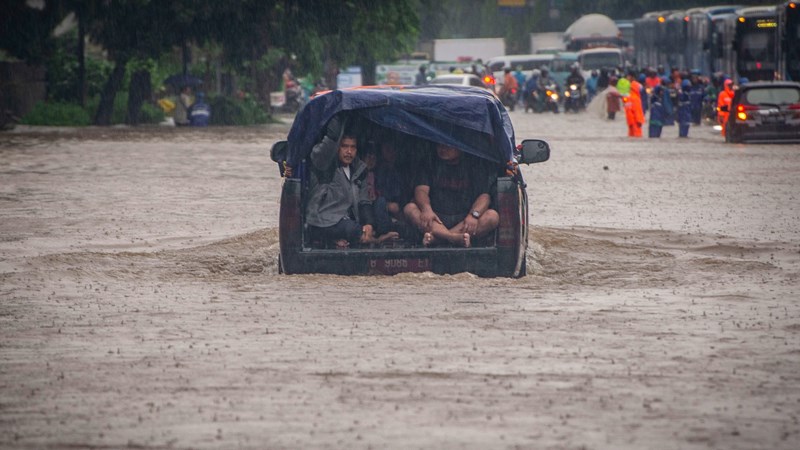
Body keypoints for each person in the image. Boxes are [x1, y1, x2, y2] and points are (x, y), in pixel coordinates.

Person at [305, 115, 381, 249]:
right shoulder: (325, 164)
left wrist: (369, 224)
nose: (349, 151)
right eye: (345, 146)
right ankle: (379, 240)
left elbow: (364, 201)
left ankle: (371, 238)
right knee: (355, 231)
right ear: (337, 148)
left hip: (347, 222)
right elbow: (330, 142)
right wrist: (338, 113)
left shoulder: (359, 169)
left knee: (376, 224)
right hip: (322, 222)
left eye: (353, 147)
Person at [404, 143, 499, 248]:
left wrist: (473, 215)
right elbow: (421, 190)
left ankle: (438, 240)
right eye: (439, 146)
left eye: (447, 146)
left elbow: (484, 196)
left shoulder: (473, 164)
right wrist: (427, 209)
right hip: (436, 219)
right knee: (409, 208)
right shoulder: (430, 162)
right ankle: (453, 238)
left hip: (464, 220)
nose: (442, 149)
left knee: (492, 216)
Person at [623, 70, 644, 137]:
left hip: (634, 122)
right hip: (631, 122)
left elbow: (637, 111)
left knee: (636, 136)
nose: (627, 78)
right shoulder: (628, 95)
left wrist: (638, 121)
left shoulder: (635, 98)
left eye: (628, 76)